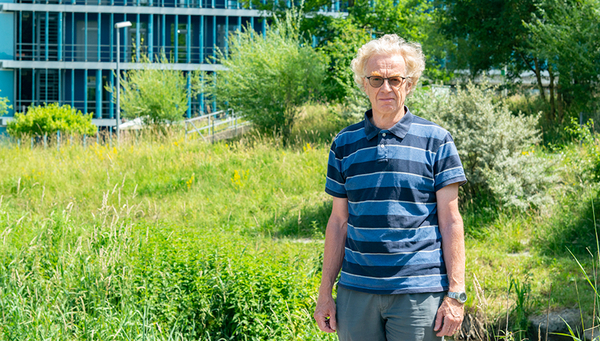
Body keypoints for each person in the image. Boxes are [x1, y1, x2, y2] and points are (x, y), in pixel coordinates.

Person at [313, 34, 468, 341]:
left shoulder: (437, 141)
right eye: (376, 79)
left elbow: (451, 221)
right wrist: (324, 291)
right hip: (356, 291)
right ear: (363, 83)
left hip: (419, 294)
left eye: (395, 79)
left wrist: (456, 294)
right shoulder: (344, 144)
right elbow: (338, 222)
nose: (386, 88)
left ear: (409, 83)